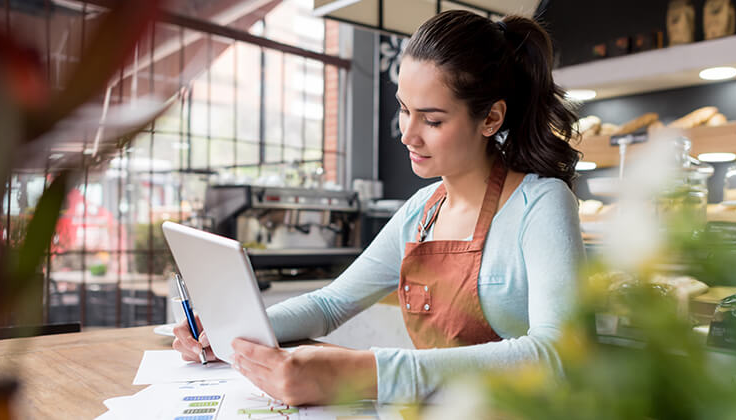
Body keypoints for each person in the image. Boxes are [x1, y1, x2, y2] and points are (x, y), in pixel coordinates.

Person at [173, 9, 584, 406]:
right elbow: (330, 304)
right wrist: (230, 333)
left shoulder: (541, 204)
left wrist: (363, 372)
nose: (407, 134)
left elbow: (556, 356)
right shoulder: (422, 211)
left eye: (433, 120)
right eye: (404, 109)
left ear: (491, 118)